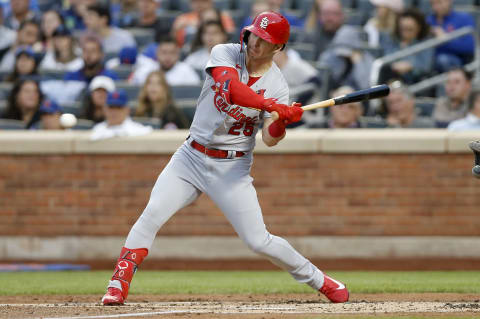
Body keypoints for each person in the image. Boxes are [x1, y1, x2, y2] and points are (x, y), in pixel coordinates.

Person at [101, 11, 348, 306]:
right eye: (255, 34)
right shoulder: (225, 52)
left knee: (258, 241)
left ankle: (320, 280)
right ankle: (118, 283)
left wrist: (283, 119)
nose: (256, 42)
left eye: (265, 39)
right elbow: (229, 89)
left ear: (278, 47)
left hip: (232, 166)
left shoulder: (278, 85)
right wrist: (269, 105)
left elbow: (270, 138)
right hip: (191, 156)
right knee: (152, 213)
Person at [380, 8, 433, 85]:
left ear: (418, 28)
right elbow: (386, 58)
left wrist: (410, 66)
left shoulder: (426, 42)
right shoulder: (393, 39)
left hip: (414, 79)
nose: (405, 33)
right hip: (393, 76)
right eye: (403, 29)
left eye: (410, 29)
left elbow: (426, 66)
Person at [318, 26, 375, 91]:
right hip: (333, 96)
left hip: (357, 97)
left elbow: (365, 86)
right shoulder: (329, 55)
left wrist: (358, 63)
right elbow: (321, 85)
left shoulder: (367, 59)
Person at [426, 0, 476, 72]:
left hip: (458, 61)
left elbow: (469, 47)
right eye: (432, 4)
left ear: (449, 1)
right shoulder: (428, 20)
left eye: (439, 2)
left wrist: (445, 39)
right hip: (431, 61)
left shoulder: (464, 18)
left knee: (443, 60)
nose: (436, 6)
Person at [130, 35, 200, 86]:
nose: (167, 57)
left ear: (178, 54)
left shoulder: (187, 71)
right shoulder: (146, 70)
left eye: (172, 53)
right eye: (164, 52)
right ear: (157, 53)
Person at [171, 0, 235, 48]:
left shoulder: (222, 17)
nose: (199, 4)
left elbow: (230, 37)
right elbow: (174, 43)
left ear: (210, 2)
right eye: (195, 2)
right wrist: (175, 30)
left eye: (203, 1)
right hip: (193, 51)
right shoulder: (182, 19)